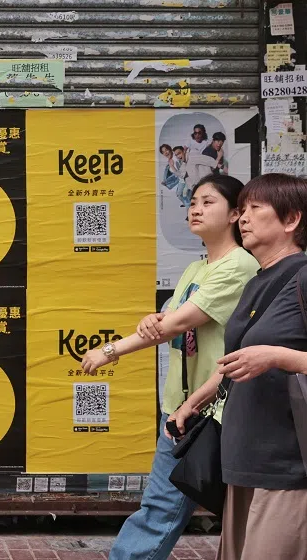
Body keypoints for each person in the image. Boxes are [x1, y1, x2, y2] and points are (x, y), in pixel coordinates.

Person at [81, 174, 259, 560]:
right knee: (166, 507)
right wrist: (157, 321)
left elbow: (174, 323)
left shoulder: (238, 266)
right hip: (183, 411)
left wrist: (109, 351)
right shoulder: (197, 270)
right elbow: (165, 324)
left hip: (213, 412)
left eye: (208, 202)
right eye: (193, 201)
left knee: (167, 509)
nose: (195, 208)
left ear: (234, 214)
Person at [168, 173, 307, 559]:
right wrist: (193, 402)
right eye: (241, 210)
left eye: (255, 209)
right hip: (243, 460)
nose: (242, 218)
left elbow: (265, 356)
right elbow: (235, 362)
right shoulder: (257, 279)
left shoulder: (303, 275)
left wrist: (279, 357)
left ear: (291, 219)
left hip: (288, 466)